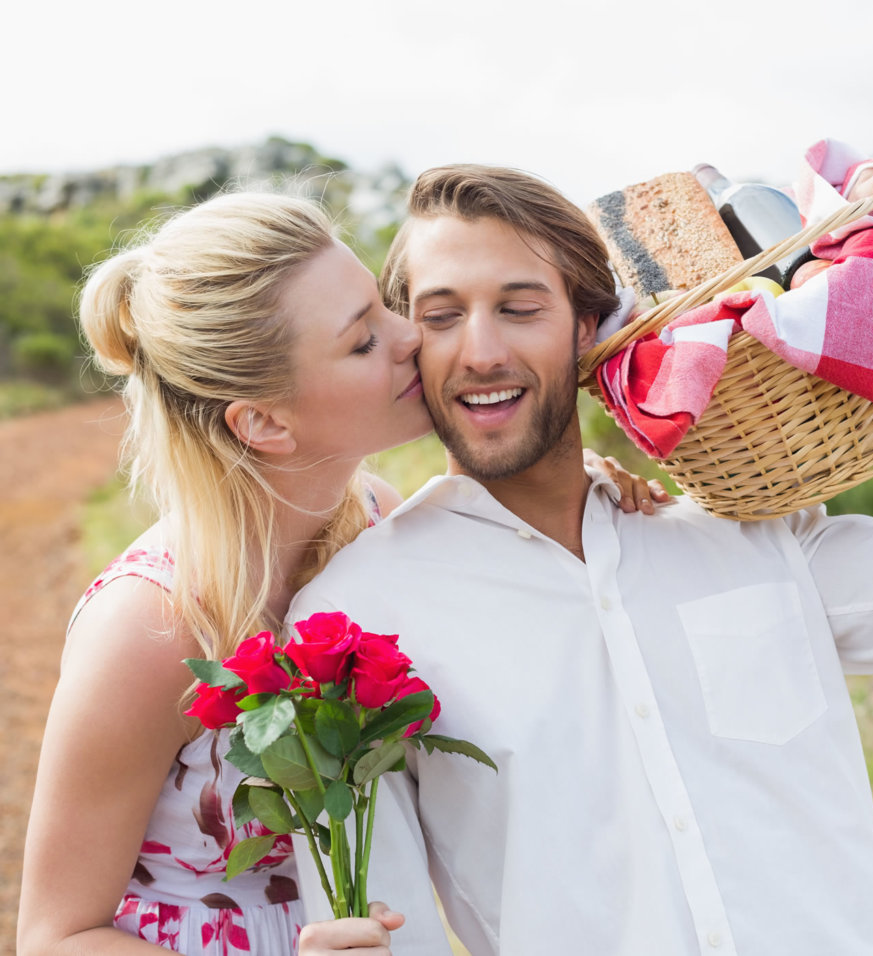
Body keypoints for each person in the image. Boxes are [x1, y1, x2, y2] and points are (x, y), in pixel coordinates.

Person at [288, 163, 873, 954]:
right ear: (408, 346)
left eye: (519, 307)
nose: (481, 351)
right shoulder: (357, 621)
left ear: (586, 326)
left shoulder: (749, 533)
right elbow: (385, 927)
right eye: (440, 317)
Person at [16, 189, 663, 956]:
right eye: (363, 341)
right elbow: (55, 936)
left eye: (383, 307)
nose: (410, 337)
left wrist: (575, 484)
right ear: (263, 421)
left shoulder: (375, 519)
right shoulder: (150, 627)